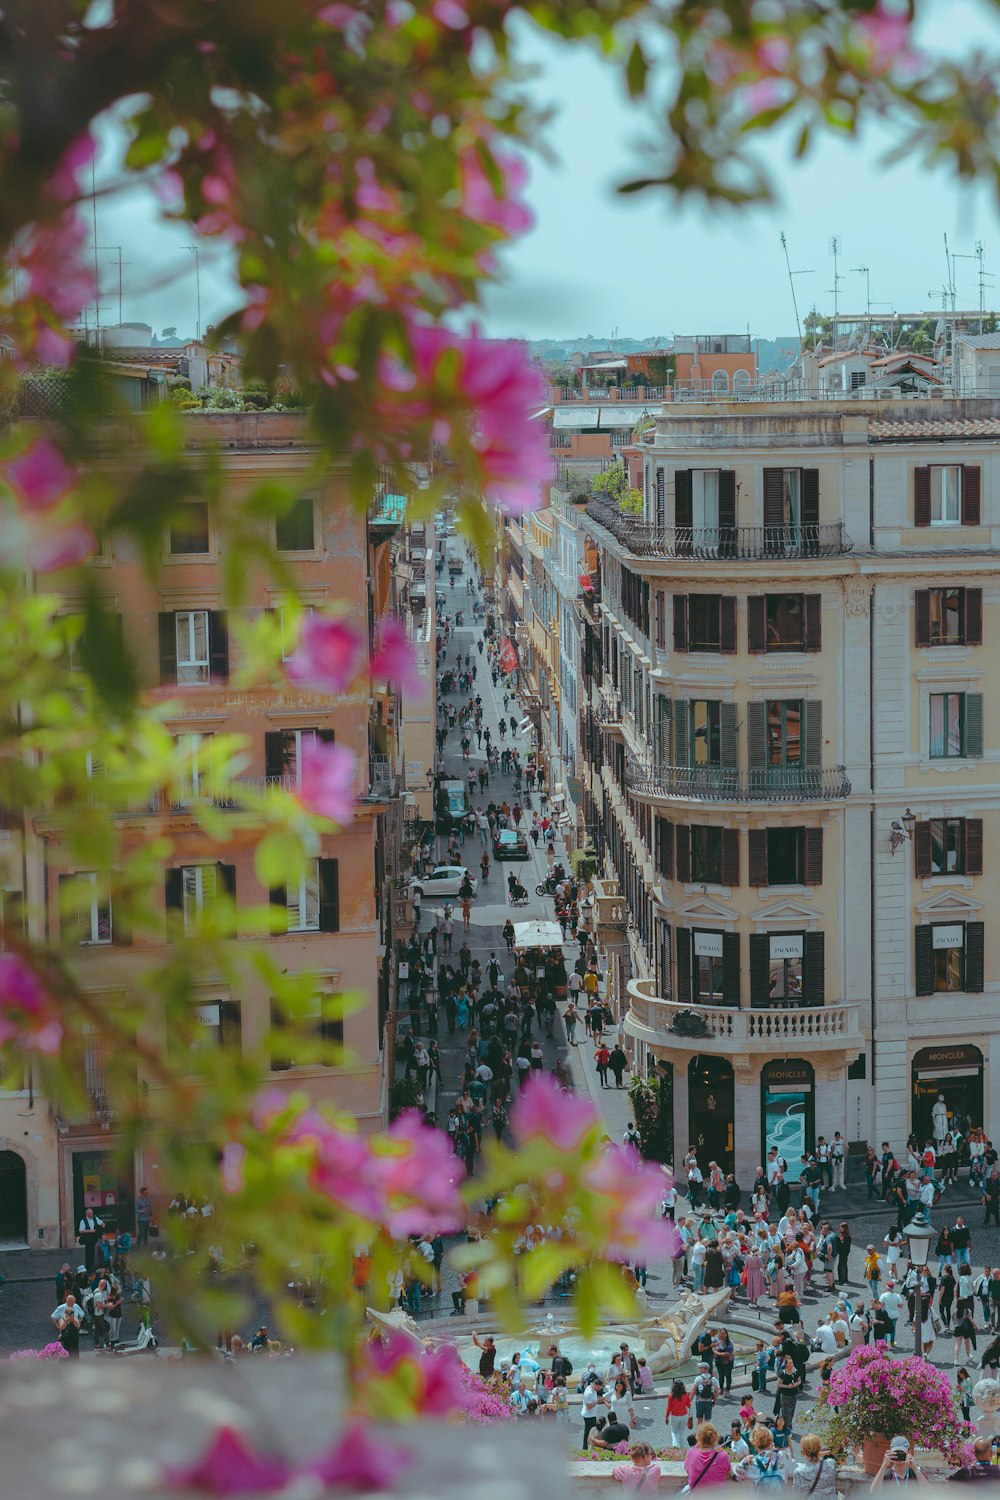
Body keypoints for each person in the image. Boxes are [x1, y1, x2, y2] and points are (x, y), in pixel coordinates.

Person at [684, 1423, 732, 1490]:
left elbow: (687, 1470)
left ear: (699, 1438)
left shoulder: (691, 1453)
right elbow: (728, 1474)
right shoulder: (723, 1455)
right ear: (715, 1437)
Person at [51, 1291, 84, 1358]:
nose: (72, 1304)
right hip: (65, 1334)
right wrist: (58, 1326)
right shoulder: (61, 1308)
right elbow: (53, 1317)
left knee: (74, 1353)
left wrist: (76, 1320)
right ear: (67, 1301)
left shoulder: (76, 1306)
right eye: (71, 1302)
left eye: (73, 1302)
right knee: (65, 1352)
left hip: (74, 1334)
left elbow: (82, 1315)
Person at [666, 1378, 692, 1450]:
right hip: (684, 1416)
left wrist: (666, 1417)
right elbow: (689, 1405)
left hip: (674, 1416)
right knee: (682, 1432)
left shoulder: (671, 1396)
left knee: (674, 1431)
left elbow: (669, 1407)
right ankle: (682, 1447)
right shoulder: (685, 1395)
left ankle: (675, 1444)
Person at [77, 1206, 104, 1274]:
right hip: (88, 1240)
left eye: (92, 1213)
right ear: (87, 1214)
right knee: (89, 1254)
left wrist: (103, 1224)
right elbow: (81, 1231)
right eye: (90, 1213)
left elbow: (101, 1223)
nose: (91, 1215)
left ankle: (94, 1267)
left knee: (95, 1253)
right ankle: (88, 1268)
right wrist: (90, 1231)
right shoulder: (83, 1221)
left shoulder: (95, 1218)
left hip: (95, 1239)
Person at [582, 1378, 609, 1446]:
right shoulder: (589, 1393)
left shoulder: (592, 1388)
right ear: (596, 1385)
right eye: (599, 1388)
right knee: (590, 1432)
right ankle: (588, 1446)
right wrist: (597, 1401)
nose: (599, 1389)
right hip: (589, 1415)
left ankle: (588, 1446)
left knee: (588, 1432)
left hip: (591, 1414)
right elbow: (589, 1406)